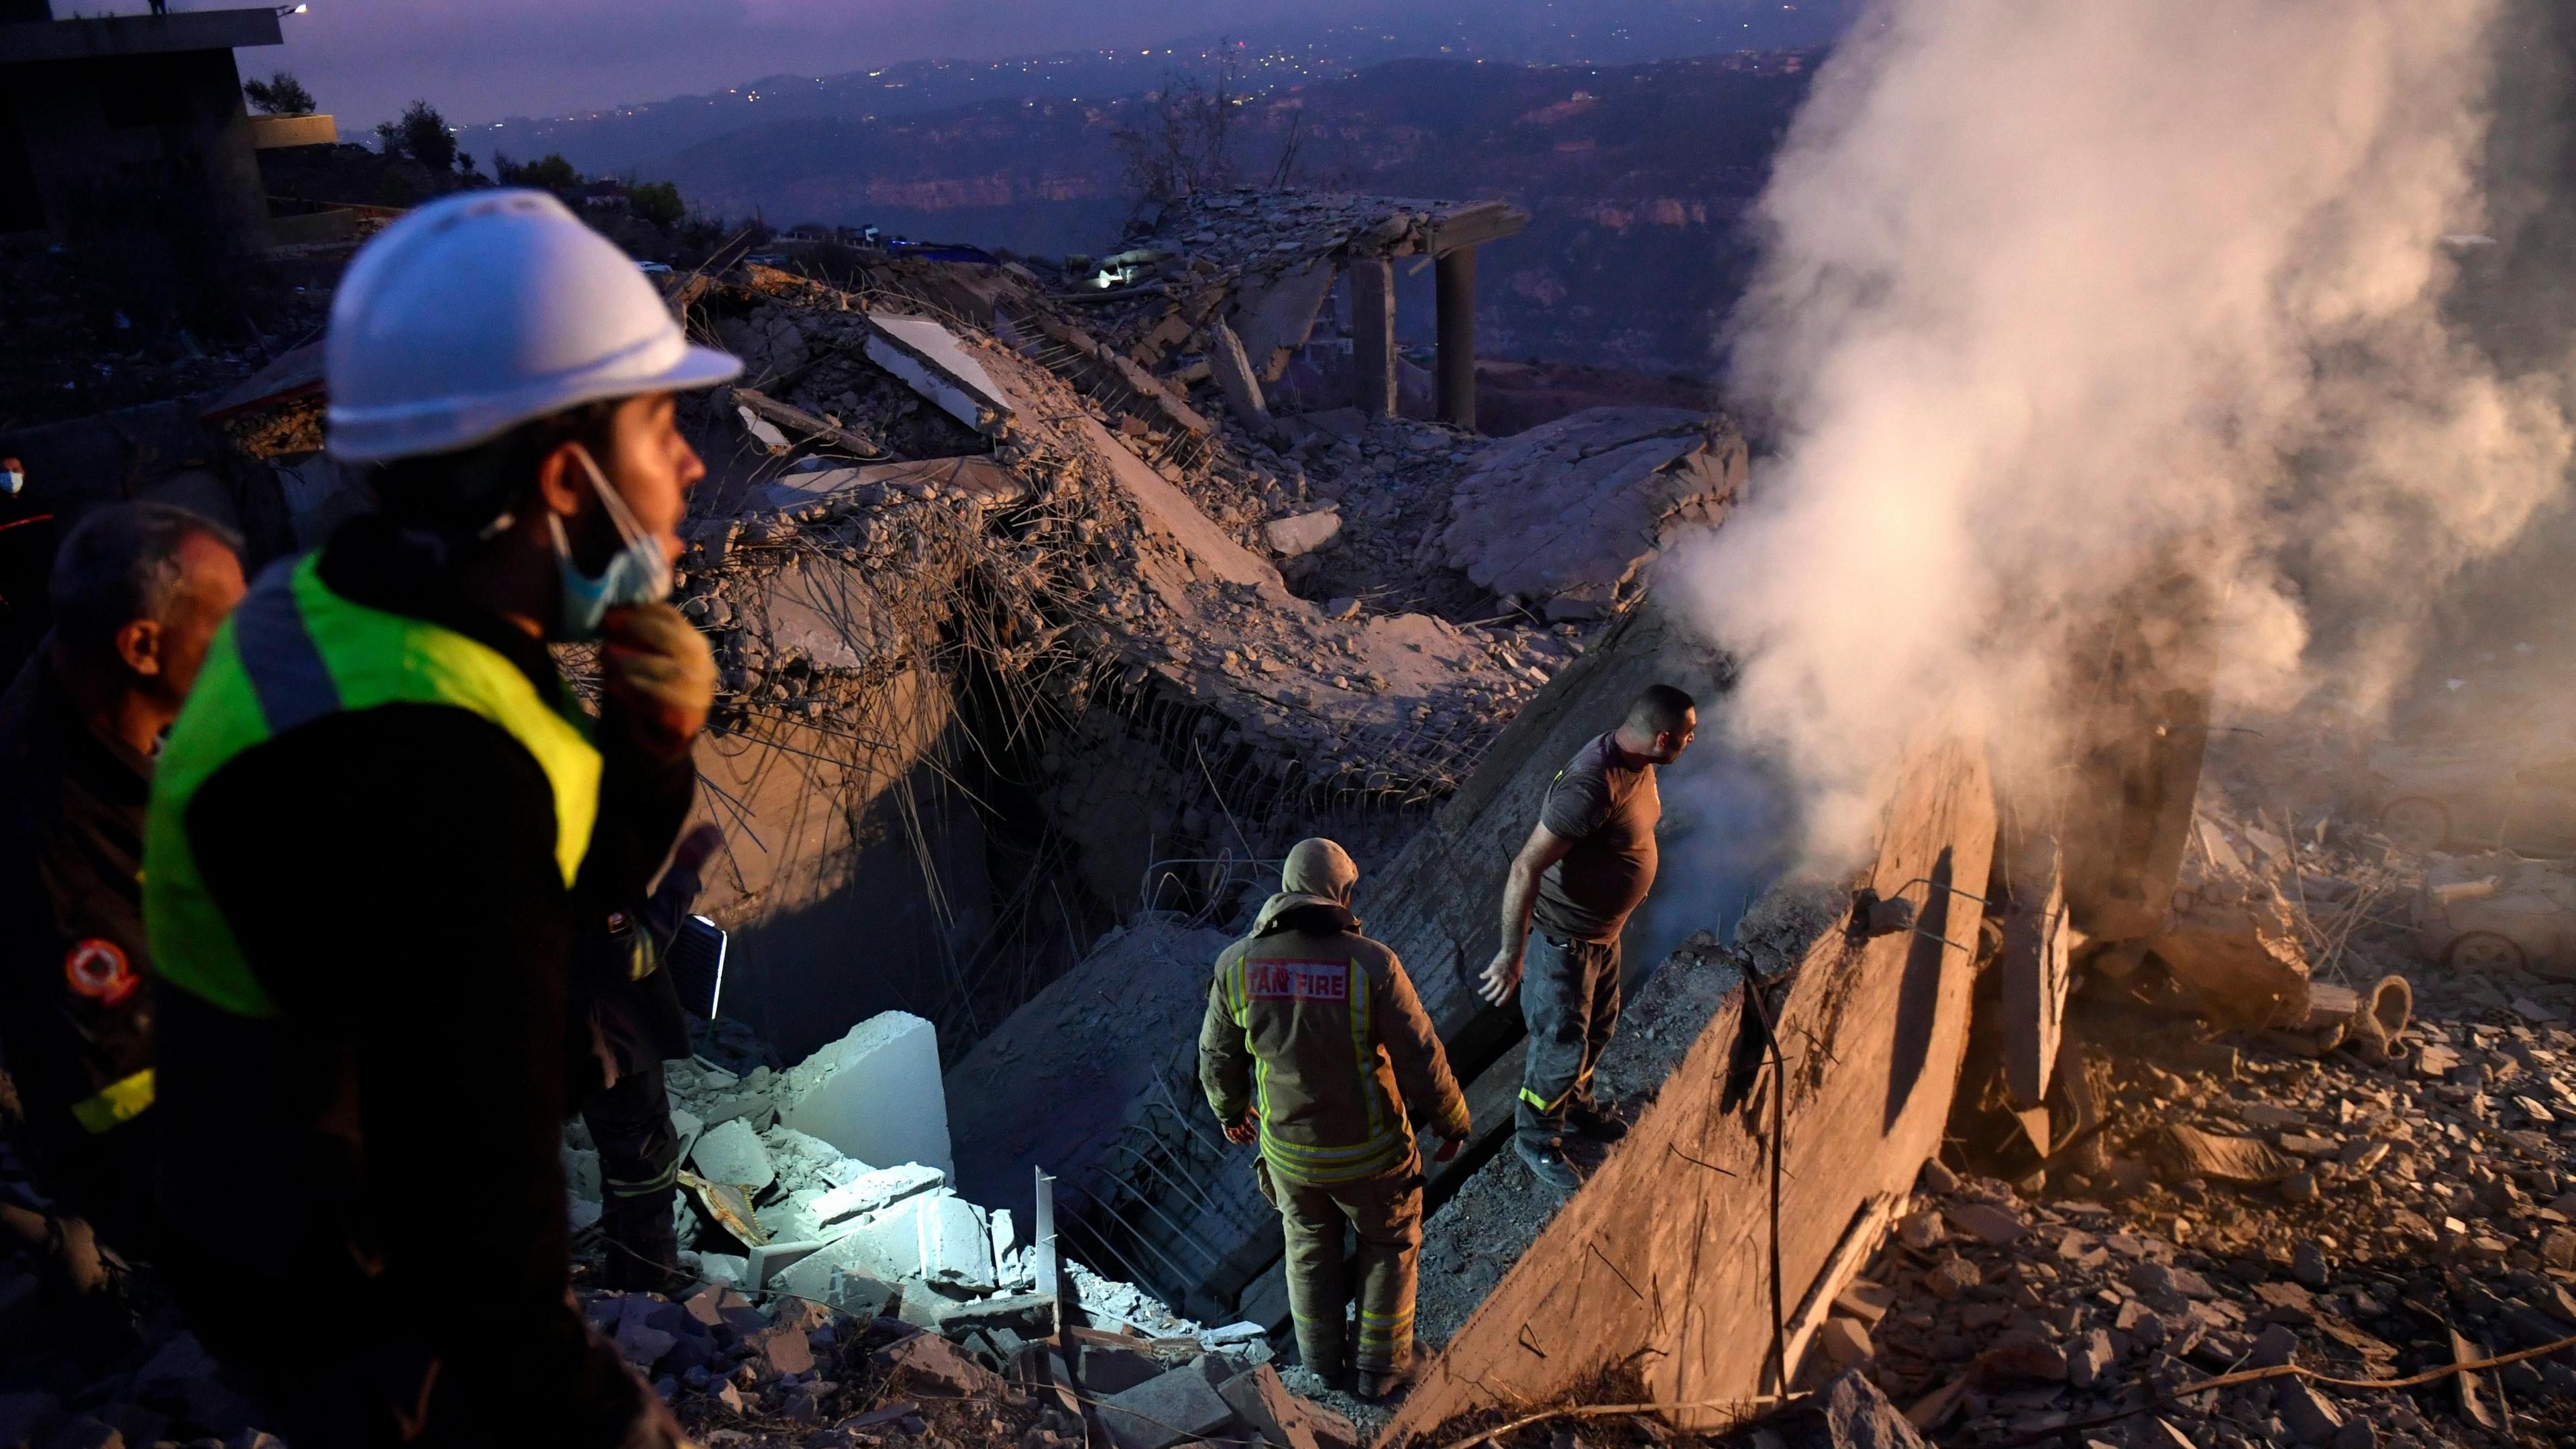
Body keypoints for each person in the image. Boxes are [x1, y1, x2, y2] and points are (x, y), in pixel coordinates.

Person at [142, 189, 739, 1447]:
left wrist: (646, 755)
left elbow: (551, 885)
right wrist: (597, 1420)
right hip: (348, 1276)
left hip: (253, 1206)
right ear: (570, 474)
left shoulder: (333, 612)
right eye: (660, 423)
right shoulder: (433, 762)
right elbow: (474, 1219)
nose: (690, 461)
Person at [0, 503, 245, 1258]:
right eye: (227, 628)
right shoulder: (58, 835)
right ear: (142, 646)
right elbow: (125, 1105)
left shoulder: (89, 691)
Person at [1199, 839, 1470, 1402]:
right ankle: (1380, 1368)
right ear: (1339, 892)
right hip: (1372, 1155)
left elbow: (1217, 1056)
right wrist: (1452, 1120)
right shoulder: (1372, 964)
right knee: (1390, 1246)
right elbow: (1420, 1055)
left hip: (1291, 1159)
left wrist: (1230, 1110)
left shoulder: (1236, 966)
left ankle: (1321, 1365)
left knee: (1307, 1252)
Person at [1477, 684, 1697, 1193]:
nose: (1692, 742)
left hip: (1602, 936)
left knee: (1596, 1031)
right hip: (1564, 945)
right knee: (1559, 1048)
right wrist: (1513, 955)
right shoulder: (1590, 787)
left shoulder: (1638, 764)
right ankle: (1535, 1138)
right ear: (1664, 738)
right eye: (1689, 736)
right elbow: (1525, 866)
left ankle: (1576, 1107)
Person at [572, 822, 721, 1294]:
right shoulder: (597, 881)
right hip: (620, 1053)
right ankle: (654, 1288)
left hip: (585, 1055)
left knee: (621, 1168)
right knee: (648, 1170)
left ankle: (622, 1279)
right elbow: (637, 955)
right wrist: (683, 874)